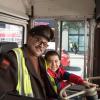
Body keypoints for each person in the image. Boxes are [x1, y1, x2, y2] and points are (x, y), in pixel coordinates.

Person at [0, 25, 58, 100]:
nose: (41, 46)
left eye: (45, 44)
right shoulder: (12, 58)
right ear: (29, 37)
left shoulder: (41, 60)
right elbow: (3, 95)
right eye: (38, 40)